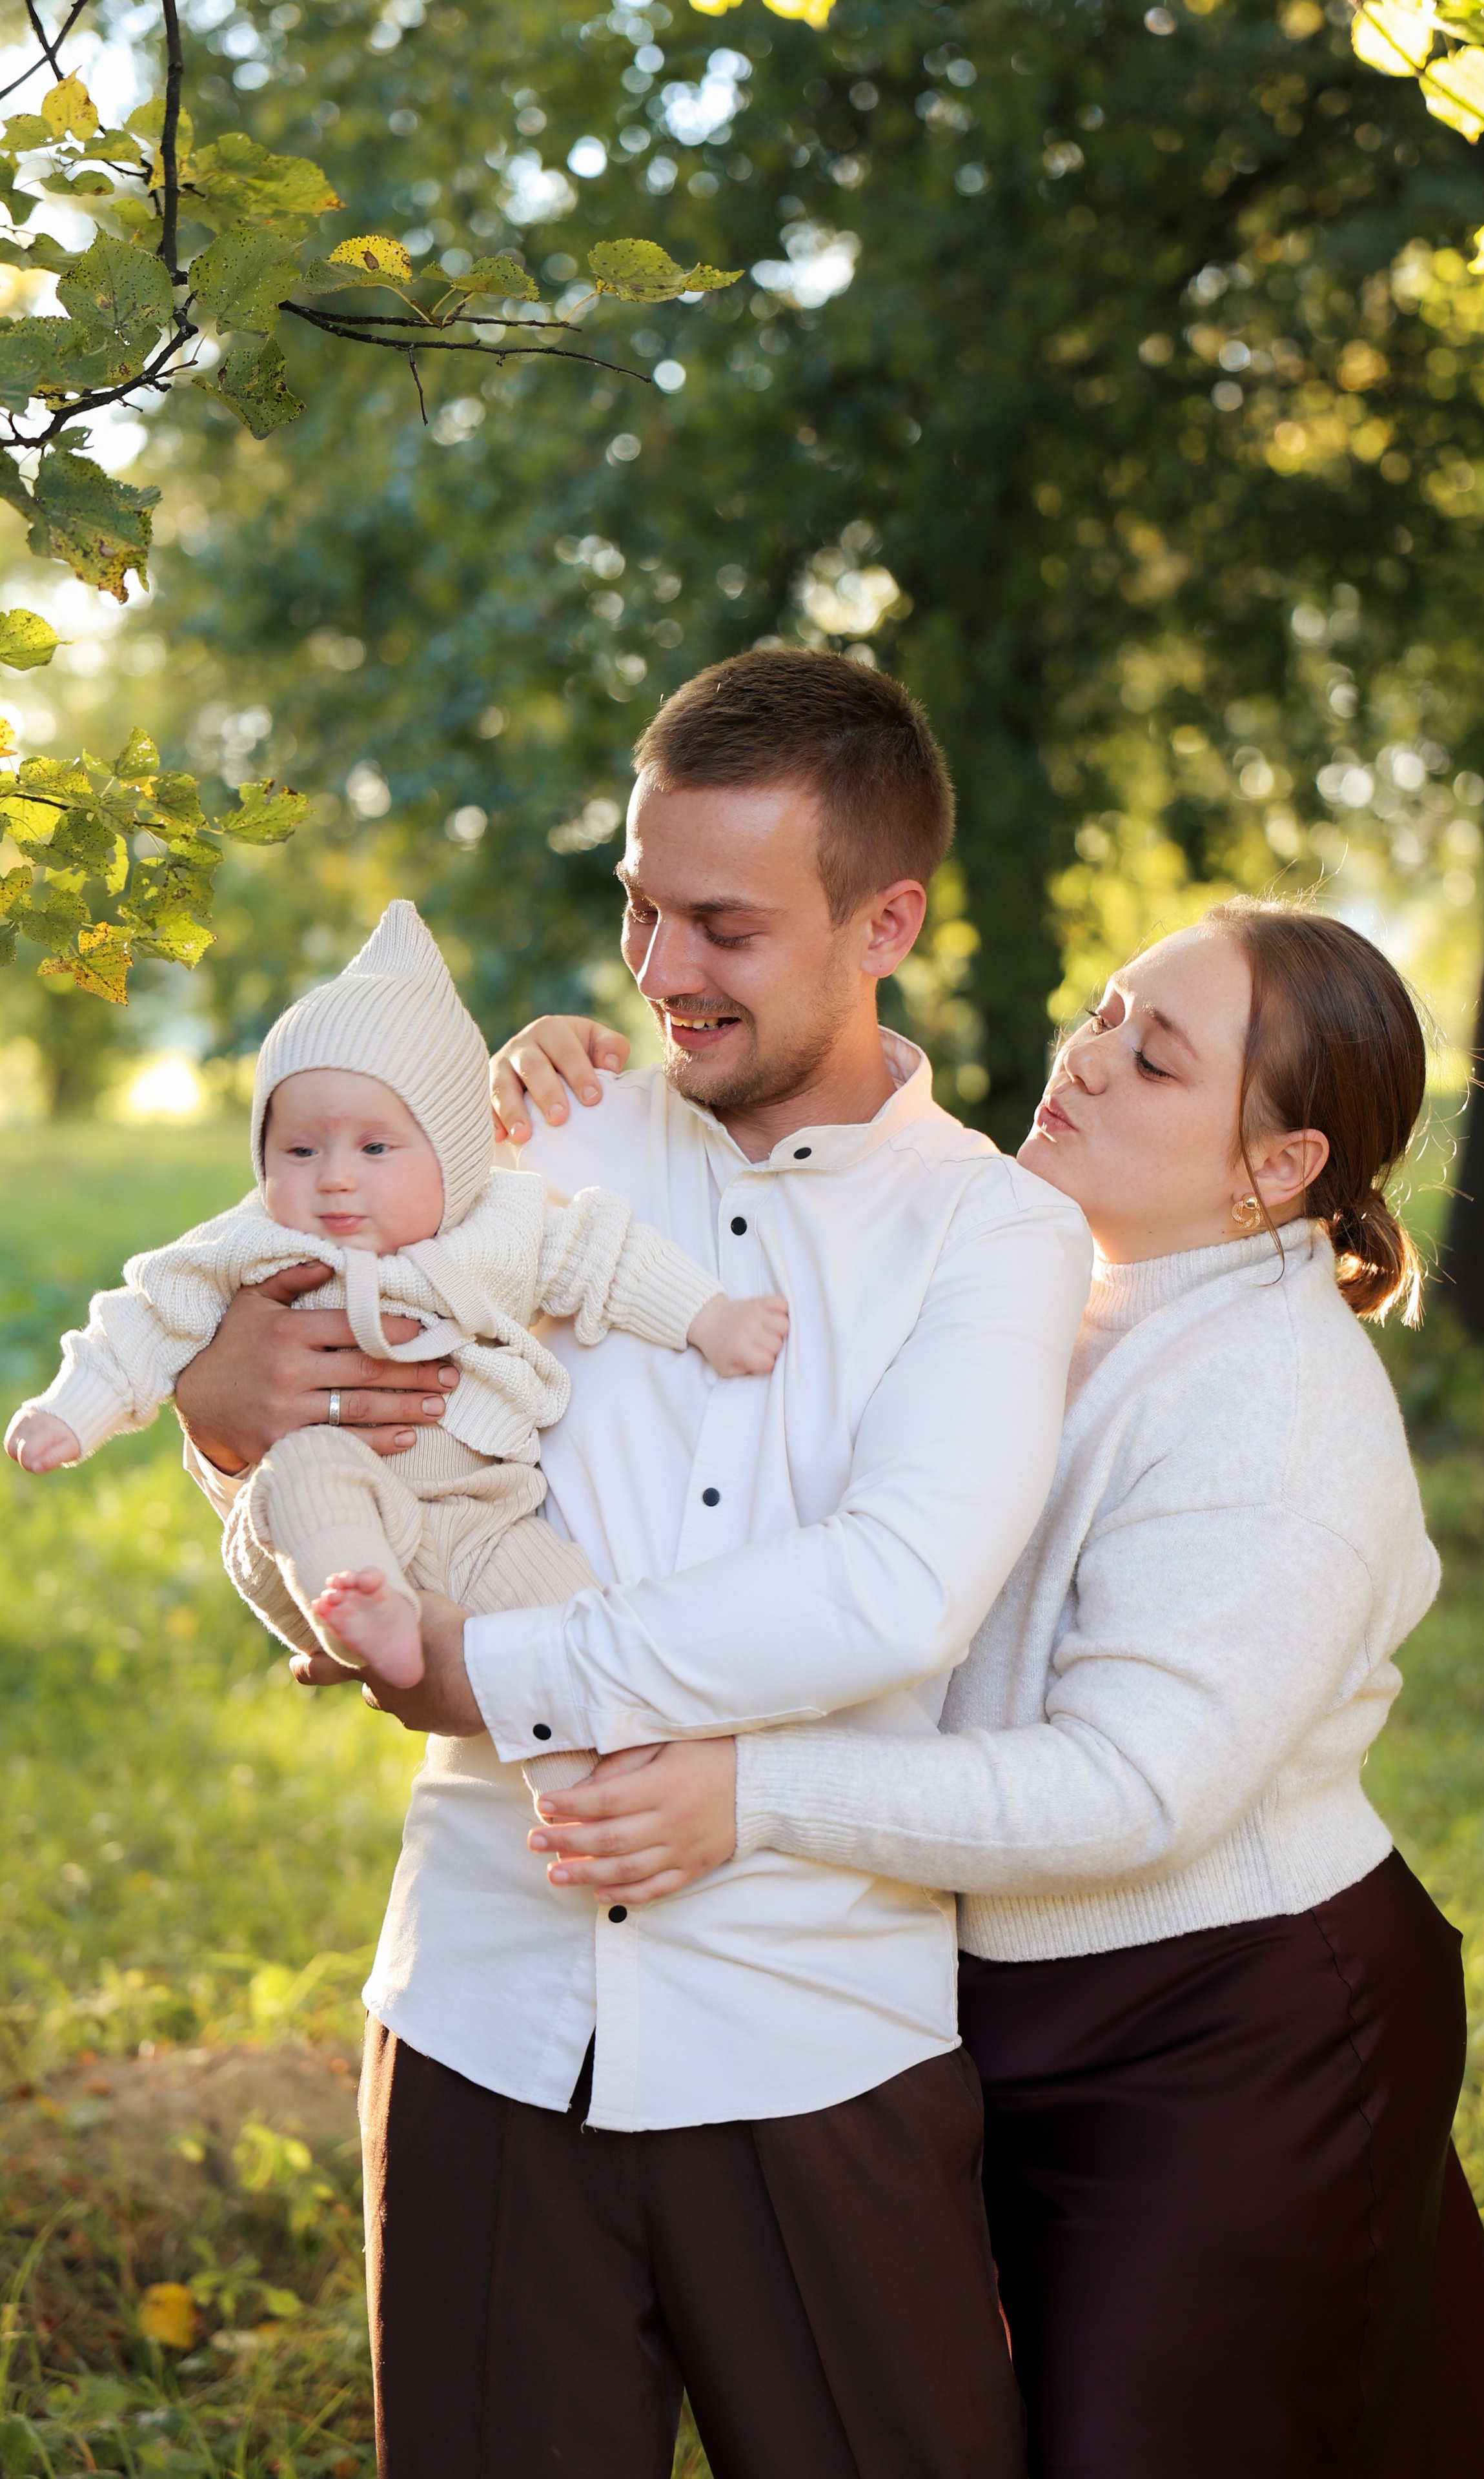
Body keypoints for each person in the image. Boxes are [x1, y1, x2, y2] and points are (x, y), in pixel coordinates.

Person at [169, 649, 1096, 2479]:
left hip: (814, 2038)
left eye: (725, 927)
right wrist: (226, 1424)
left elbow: (897, 1588)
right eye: (640, 910)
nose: (661, 972)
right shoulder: (524, 1145)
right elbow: (355, 1471)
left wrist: (493, 1676)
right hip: (483, 2016)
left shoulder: (999, 1234)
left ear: (884, 919)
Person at [529, 897, 1484, 2477]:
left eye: (1151, 1059)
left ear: (1273, 1167)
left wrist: (753, 1794)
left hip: (1225, 2023)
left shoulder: (1270, 1405)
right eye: (1099, 1015)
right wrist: (557, 1111)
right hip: (1004, 1999)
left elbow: (1134, 1788)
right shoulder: (1043, 1286)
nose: (1080, 1061)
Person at [3, 899, 780, 1701]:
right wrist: (72, 1409)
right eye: (299, 1150)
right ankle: (363, 1607)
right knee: (309, 1470)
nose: (335, 1176)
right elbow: (143, 1317)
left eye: (376, 1148)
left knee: (579, 1643)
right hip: (316, 1525)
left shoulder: (502, 1223)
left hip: (486, 1523)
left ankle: (597, 1787)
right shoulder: (252, 1240)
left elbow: (605, 1254)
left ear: (453, 1154)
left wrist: (710, 1318)